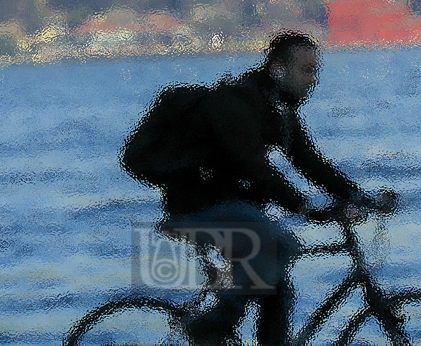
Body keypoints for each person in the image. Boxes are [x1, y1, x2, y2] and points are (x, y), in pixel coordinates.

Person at [156, 30, 385, 346]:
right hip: (196, 209)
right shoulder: (239, 103)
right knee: (278, 242)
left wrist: (356, 195)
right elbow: (255, 167)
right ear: (278, 69)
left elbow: (309, 162)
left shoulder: (278, 109)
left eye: (316, 71)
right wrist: (303, 205)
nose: (313, 80)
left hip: (232, 209)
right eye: (306, 70)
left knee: (276, 285)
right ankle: (212, 324)